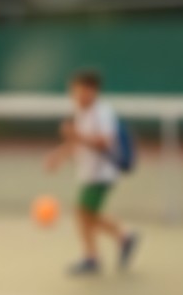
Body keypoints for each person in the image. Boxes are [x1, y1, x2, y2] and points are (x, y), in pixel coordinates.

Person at [45, 69, 140, 276]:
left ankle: (94, 257)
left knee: (82, 212)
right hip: (88, 173)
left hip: (102, 174)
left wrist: (77, 135)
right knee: (87, 215)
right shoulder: (81, 112)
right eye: (73, 92)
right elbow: (76, 142)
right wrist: (58, 156)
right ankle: (123, 238)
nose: (76, 96)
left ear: (93, 91)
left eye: (80, 92)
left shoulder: (103, 112)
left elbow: (104, 142)